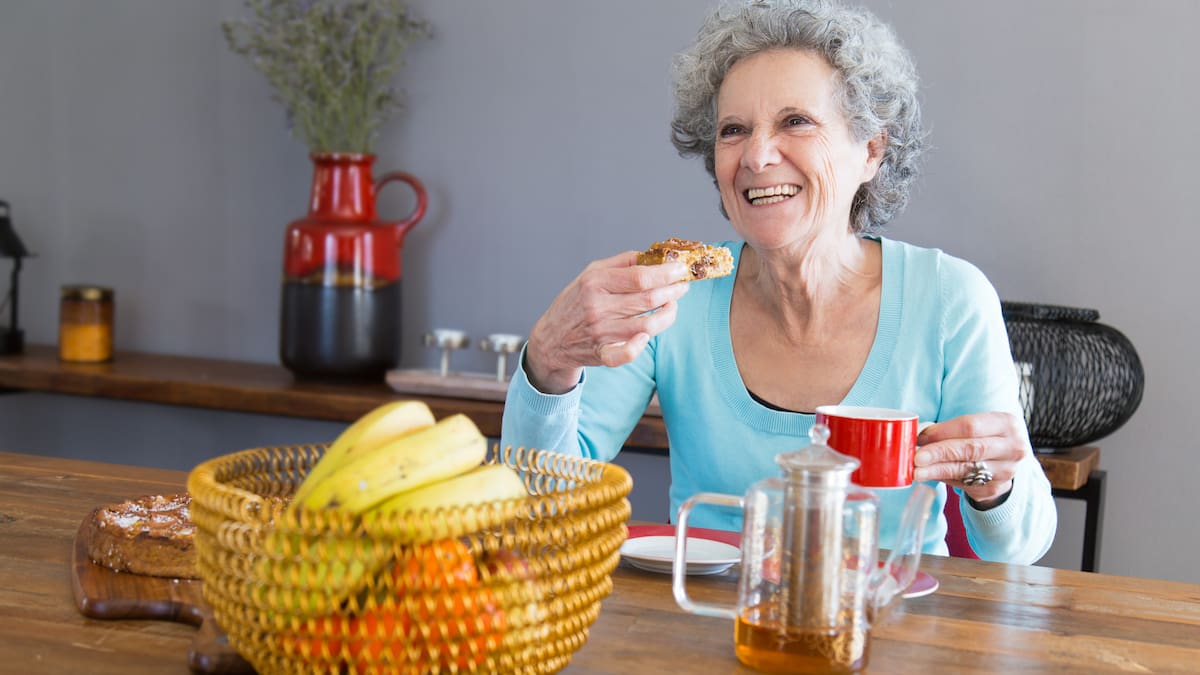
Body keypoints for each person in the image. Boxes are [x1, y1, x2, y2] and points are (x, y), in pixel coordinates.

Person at [501, 0, 1056, 564]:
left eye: (796, 122)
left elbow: (1017, 549)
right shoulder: (676, 297)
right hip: (704, 621)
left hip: (891, 627)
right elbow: (538, 508)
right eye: (733, 130)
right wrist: (548, 360)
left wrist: (995, 485)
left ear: (870, 149)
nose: (758, 156)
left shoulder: (949, 299)